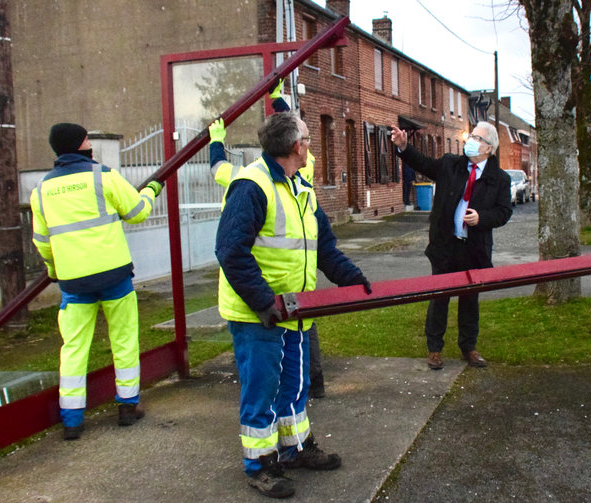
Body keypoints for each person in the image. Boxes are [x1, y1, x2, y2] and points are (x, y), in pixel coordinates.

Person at [216, 112, 371, 499]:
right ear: (294, 146)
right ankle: (260, 465)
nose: (309, 146)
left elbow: (324, 248)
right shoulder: (252, 186)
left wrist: (352, 279)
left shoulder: (301, 186)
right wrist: (264, 302)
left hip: (295, 310)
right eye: (306, 138)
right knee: (262, 389)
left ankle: (295, 449)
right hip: (260, 314)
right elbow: (231, 252)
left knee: (293, 386)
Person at [30, 123, 164, 440]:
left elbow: (42, 241)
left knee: (74, 348)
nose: (91, 144)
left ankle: (72, 420)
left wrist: (54, 269)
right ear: (81, 145)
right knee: (124, 340)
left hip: (73, 282)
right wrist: (151, 191)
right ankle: (128, 407)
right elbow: (137, 212)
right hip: (114, 275)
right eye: (88, 139)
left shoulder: (41, 191)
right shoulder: (102, 176)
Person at [208, 80, 327, 399]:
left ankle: (304, 386)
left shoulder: (238, 177)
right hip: (280, 290)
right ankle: (314, 382)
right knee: (301, 335)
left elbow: (218, 167)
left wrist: (216, 141)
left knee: (286, 349)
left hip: (274, 290)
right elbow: (293, 130)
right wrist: (276, 98)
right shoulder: (304, 167)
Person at [390, 122, 512, 371]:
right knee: (440, 297)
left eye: (476, 137)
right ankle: (435, 349)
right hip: (445, 246)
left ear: (488, 148)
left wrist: (482, 218)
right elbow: (424, 163)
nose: (470, 140)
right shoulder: (450, 164)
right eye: (471, 135)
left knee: (469, 300)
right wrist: (404, 146)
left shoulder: (499, 179)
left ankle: (469, 347)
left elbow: (503, 212)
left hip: (474, 248)